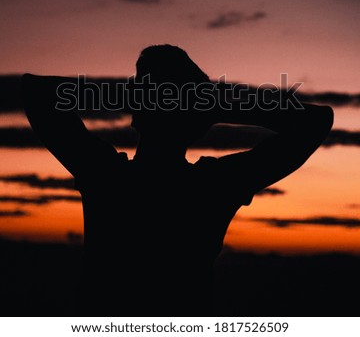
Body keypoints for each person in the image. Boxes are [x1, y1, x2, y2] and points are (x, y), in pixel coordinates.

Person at [21, 44, 333, 316]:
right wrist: (211, 102)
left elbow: (37, 94)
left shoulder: (104, 174)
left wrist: (145, 96)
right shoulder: (216, 185)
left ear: (135, 113)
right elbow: (313, 122)